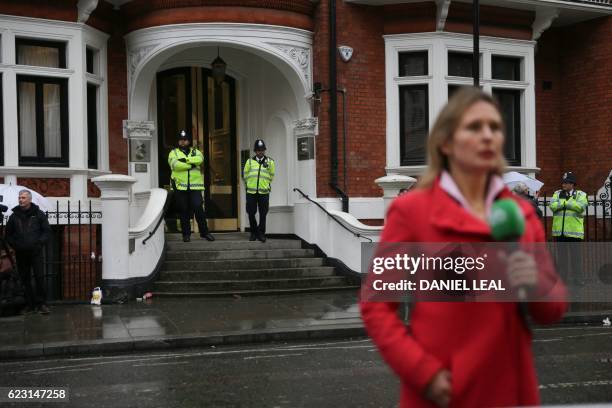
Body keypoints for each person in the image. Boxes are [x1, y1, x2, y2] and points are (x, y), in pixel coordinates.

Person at [360, 87, 567, 408]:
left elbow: (553, 309)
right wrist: (423, 373)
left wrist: (536, 283)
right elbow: (376, 306)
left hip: (510, 390)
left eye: (495, 127)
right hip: (442, 390)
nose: (488, 136)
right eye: (474, 127)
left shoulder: (521, 213)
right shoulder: (412, 212)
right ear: (445, 142)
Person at [5, 190, 51, 315]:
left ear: (30, 199)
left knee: (39, 277)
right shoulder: (14, 216)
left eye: (23, 198)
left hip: (36, 252)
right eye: (20, 197)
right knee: (25, 279)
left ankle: (42, 304)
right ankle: (30, 305)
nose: (21, 200)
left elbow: (46, 231)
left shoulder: (39, 214)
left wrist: (39, 243)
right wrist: (15, 245)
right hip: (21, 253)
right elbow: (8, 234)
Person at [168, 130, 215, 243]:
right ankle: (186, 235)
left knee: (198, 208)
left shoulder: (196, 152)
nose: (183, 142)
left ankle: (204, 232)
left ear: (188, 141)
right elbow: (175, 165)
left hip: (195, 187)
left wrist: (185, 160)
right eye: (181, 140)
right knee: (183, 211)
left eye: (185, 140)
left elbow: (200, 160)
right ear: (178, 141)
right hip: (180, 186)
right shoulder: (173, 153)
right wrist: (191, 164)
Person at [549, 172, 587, 285]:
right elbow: (552, 206)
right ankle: (562, 279)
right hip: (560, 232)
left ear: (572, 184)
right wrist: (567, 203)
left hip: (574, 233)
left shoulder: (581, 194)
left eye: (566, 183)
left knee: (576, 258)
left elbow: (581, 207)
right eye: (563, 183)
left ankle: (578, 279)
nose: (563, 185)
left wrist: (564, 203)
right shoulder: (557, 193)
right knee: (562, 258)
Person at [243, 139, 275, 242]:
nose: (260, 152)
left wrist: (265, 184)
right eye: (258, 150)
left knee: (263, 213)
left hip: (264, 192)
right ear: (255, 151)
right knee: (251, 212)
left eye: (262, 150)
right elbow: (245, 175)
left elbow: (271, 175)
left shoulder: (270, 162)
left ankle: (261, 233)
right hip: (251, 192)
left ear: (264, 150)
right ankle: (253, 232)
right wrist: (249, 184)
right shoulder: (249, 161)